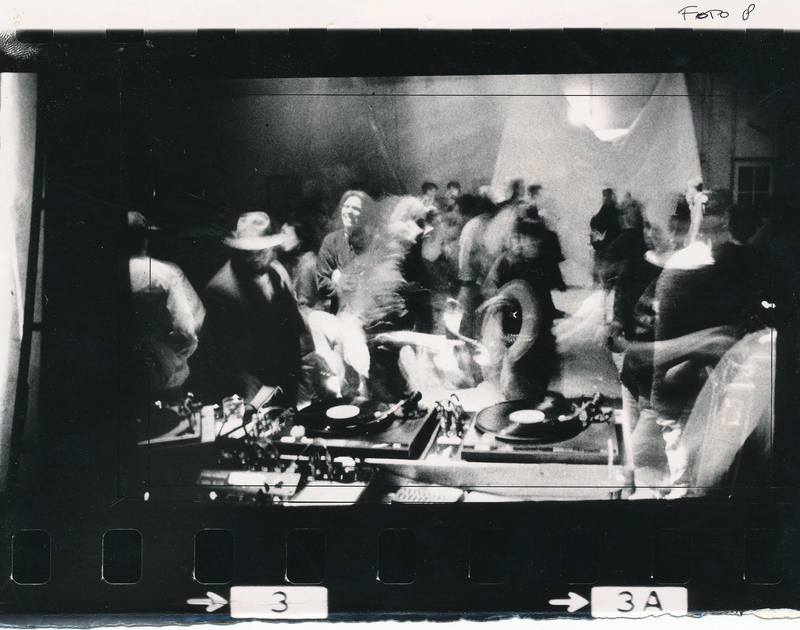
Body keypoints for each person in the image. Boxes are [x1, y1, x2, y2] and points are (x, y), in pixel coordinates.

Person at [192, 211, 308, 409]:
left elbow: (293, 322)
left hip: (287, 381)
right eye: (248, 251)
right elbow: (215, 353)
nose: (255, 256)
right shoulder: (220, 290)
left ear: (272, 247)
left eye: (261, 250)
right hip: (253, 393)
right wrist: (240, 377)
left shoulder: (277, 271)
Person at [127, 211, 205, 405]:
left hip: (122, 377)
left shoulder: (101, 275)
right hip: (164, 374)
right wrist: (174, 356)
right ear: (146, 239)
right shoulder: (164, 273)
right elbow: (187, 329)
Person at [316, 190, 373, 314]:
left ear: (365, 214)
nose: (348, 212)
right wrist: (342, 287)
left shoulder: (373, 242)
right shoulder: (331, 241)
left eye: (356, 209)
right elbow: (322, 281)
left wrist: (339, 278)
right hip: (341, 311)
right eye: (346, 206)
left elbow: (376, 280)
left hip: (369, 312)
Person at [275, 219, 319, 309]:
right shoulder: (294, 261)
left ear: (300, 238)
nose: (281, 239)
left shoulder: (308, 264)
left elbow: (304, 303)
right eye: (281, 233)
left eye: (285, 234)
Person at [590, 187, 621, 287]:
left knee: (604, 263)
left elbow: (596, 222)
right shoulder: (614, 209)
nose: (606, 198)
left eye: (606, 195)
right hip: (613, 241)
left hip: (608, 242)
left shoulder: (606, 209)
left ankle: (602, 282)